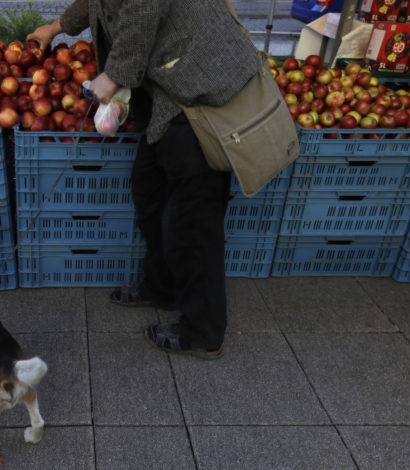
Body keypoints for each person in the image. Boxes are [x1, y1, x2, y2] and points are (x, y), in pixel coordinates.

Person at [28, 0, 261, 359]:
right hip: (164, 93)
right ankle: (162, 287)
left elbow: (143, 9)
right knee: (149, 193)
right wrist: (56, 27)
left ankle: (204, 330)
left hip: (201, 89)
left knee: (192, 218)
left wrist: (115, 75)